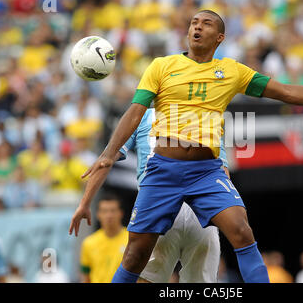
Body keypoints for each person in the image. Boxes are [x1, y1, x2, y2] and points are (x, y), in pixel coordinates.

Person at [69, 10, 303, 283]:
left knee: (242, 232)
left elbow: (287, 92)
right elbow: (135, 110)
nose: (197, 27)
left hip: (206, 172)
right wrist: (109, 153)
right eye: (193, 22)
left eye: (205, 23)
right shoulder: (161, 66)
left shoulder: (231, 71)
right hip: (162, 170)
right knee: (136, 254)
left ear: (219, 37)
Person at [76, 107, 226, 283]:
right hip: (199, 209)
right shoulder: (202, 113)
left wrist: (84, 203)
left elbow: (106, 159)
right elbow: (222, 171)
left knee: (145, 279)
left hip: (158, 205)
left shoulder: (139, 116)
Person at [80, 194, 127, 283]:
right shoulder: (89, 242)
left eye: (113, 211)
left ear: (121, 213)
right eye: (105, 211)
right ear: (98, 214)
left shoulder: (131, 240)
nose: (109, 215)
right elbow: (86, 276)